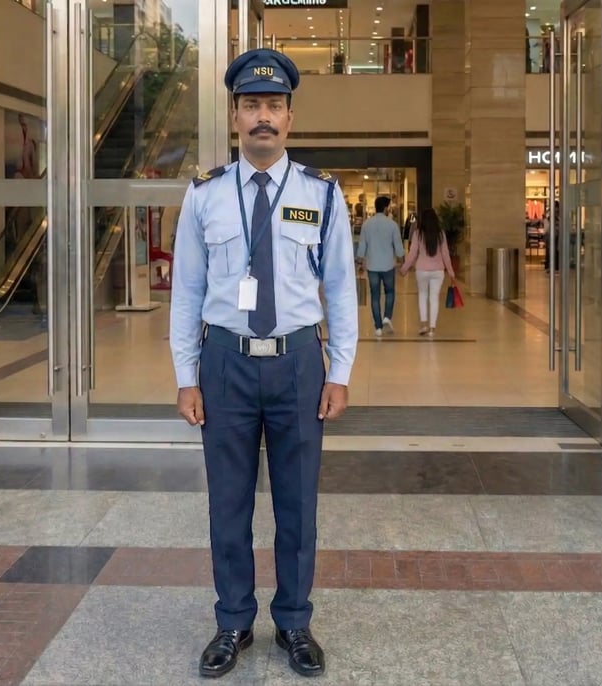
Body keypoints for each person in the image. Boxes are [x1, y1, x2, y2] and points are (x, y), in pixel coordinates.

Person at [169, 48, 358, 680]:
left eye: (273, 106)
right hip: (224, 364)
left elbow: (340, 289)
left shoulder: (322, 195)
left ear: (290, 117)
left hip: (300, 363)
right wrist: (185, 375)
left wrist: (340, 371)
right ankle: (232, 622)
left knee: (297, 504)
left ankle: (296, 621)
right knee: (228, 502)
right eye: (251, 106)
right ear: (235, 116)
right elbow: (189, 292)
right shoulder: (204, 197)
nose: (263, 118)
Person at [400, 208, 456, 336]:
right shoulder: (441, 234)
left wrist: (404, 269)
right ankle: (432, 328)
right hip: (438, 271)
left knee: (423, 296)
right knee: (434, 298)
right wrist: (451, 273)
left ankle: (424, 325)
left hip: (422, 270)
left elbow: (413, 254)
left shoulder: (418, 234)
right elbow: (446, 255)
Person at [356, 196, 404, 336]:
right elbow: (398, 245)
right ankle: (387, 317)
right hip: (388, 265)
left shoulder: (367, 224)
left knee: (375, 295)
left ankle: (378, 327)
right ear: (385, 208)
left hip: (372, 266)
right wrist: (401, 259)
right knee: (390, 292)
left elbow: (362, 245)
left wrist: (360, 261)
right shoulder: (392, 225)